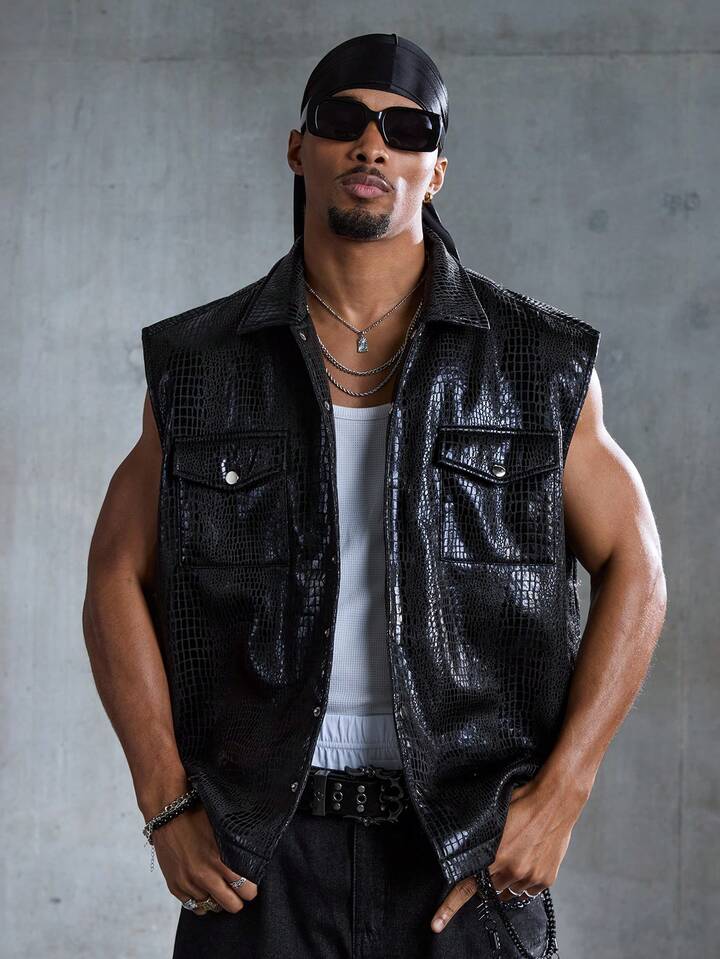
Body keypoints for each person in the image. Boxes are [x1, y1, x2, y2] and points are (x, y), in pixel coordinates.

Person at [83, 33, 667, 958]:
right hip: (259, 859)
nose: (372, 145)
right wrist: (164, 800)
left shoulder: (538, 365)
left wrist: (564, 790)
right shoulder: (202, 366)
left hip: (464, 852)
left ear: (436, 173)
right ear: (298, 148)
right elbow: (115, 570)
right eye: (344, 120)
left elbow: (638, 562)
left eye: (407, 130)